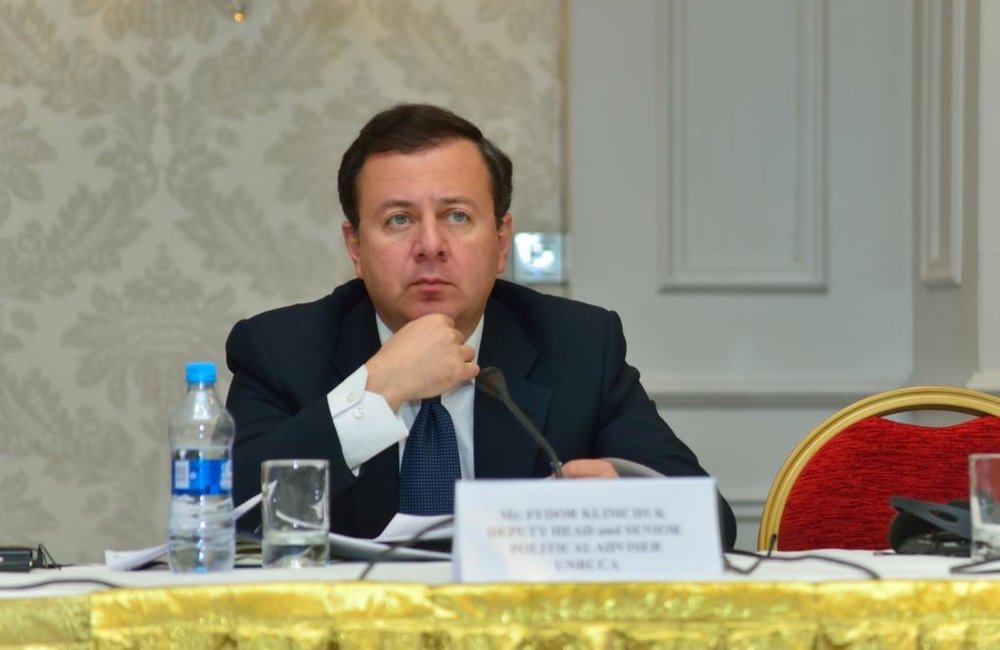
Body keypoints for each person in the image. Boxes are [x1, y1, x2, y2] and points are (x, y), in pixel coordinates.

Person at [225, 103, 737, 547]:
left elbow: (712, 522)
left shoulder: (579, 345)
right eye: (399, 219)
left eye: (457, 216)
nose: (430, 245)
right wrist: (378, 390)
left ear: (501, 240)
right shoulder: (280, 350)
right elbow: (227, 519)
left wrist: (626, 496)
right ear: (355, 247)